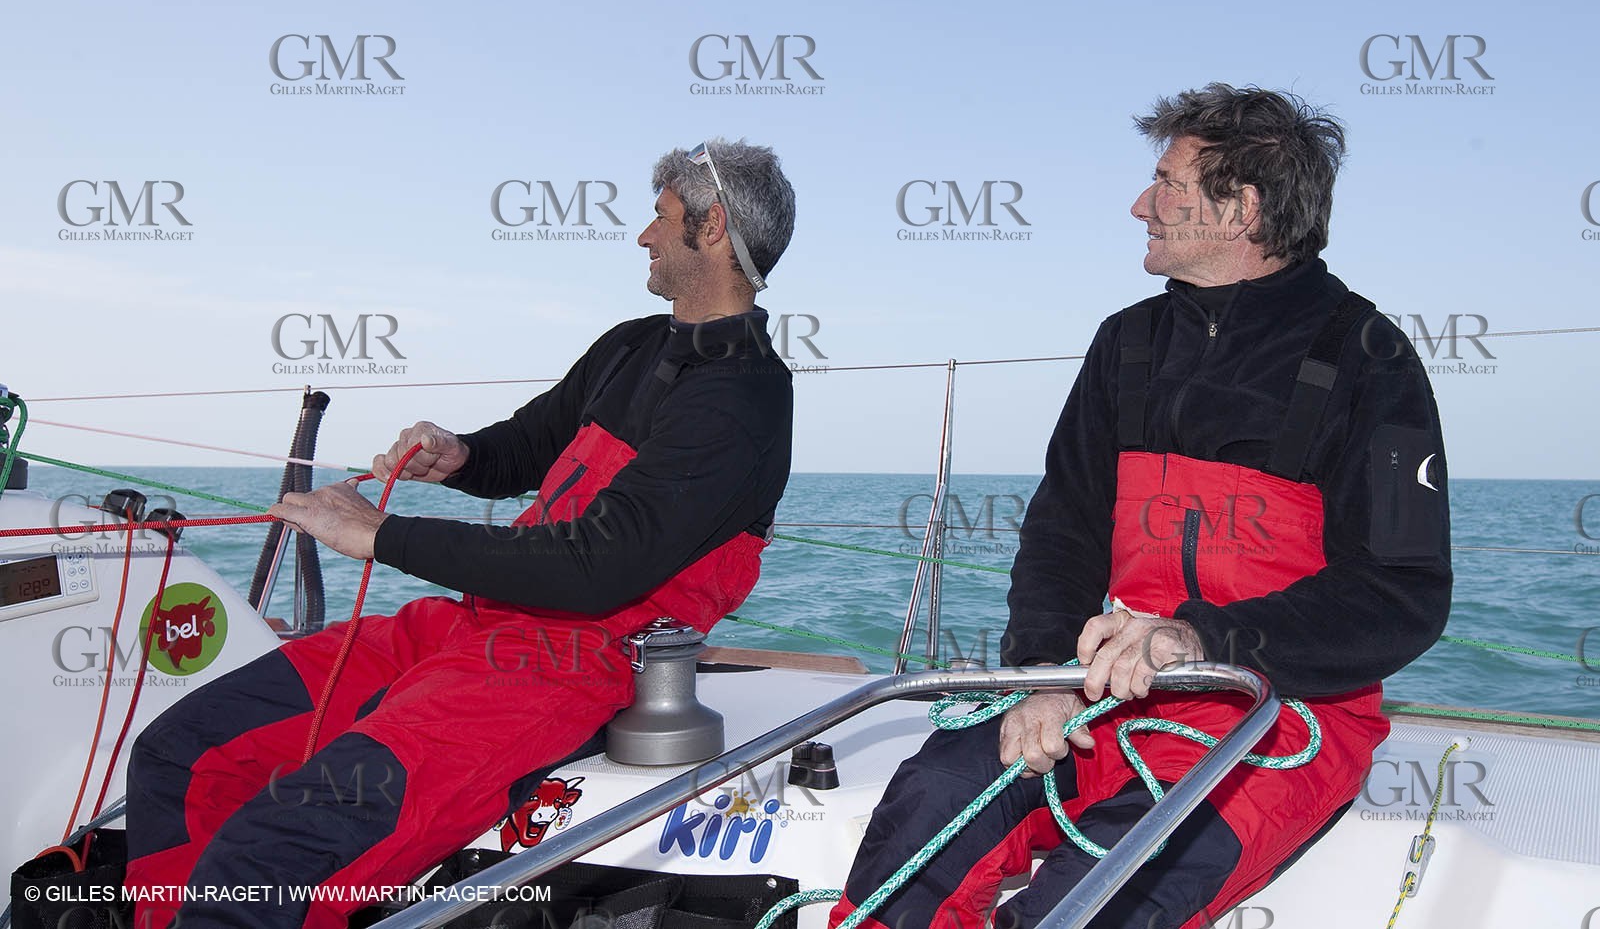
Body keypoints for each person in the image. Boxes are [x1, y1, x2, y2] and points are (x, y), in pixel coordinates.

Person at [124, 138, 797, 929]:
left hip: (560, 666)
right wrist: (461, 455)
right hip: (463, 628)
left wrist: (381, 536)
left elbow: (595, 569)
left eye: (661, 216)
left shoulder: (743, 400)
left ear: (712, 228)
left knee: (274, 851)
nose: (644, 235)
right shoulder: (632, 344)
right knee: (177, 752)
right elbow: (527, 444)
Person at [831, 86, 1452, 929]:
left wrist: (1199, 638)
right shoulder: (1126, 341)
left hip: (1279, 712)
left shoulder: (1371, 358)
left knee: (1098, 904)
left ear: (1243, 207)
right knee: (926, 805)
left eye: (1165, 183)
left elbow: (1401, 591)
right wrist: (1042, 676)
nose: (1139, 205)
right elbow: (1064, 530)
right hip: (1098, 696)